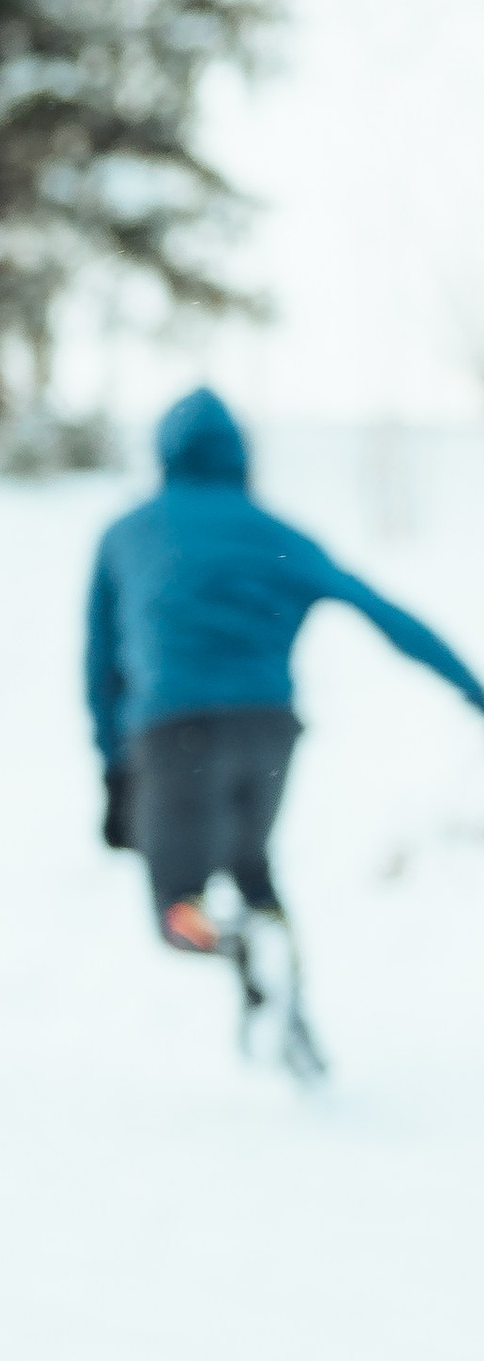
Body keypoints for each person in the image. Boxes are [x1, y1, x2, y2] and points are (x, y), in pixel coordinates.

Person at [88, 387, 484, 1069]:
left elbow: (99, 667)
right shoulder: (278, 534)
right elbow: (386, 614)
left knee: (178, 910)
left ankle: (238, 947)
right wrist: (473, 690)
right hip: (269, 733)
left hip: (173, 731)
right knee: (251, 869)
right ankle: (285, 1019)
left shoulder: (130, 533)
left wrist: (115, 766)